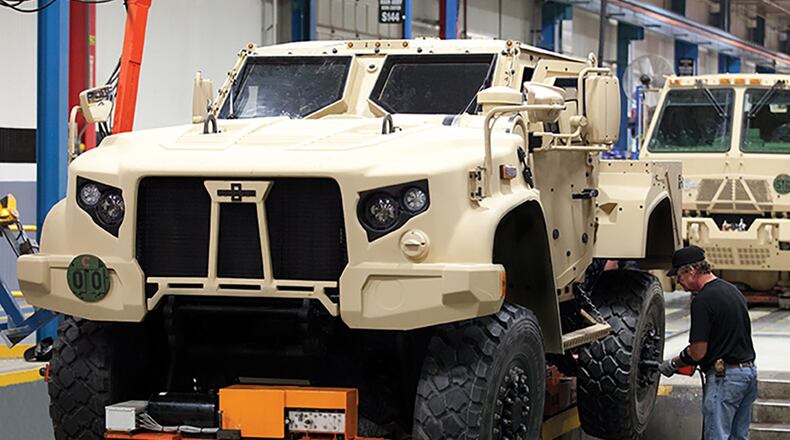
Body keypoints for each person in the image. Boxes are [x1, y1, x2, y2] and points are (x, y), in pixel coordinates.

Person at [658, 245, 757, 440]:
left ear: (692, 271)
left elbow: (698, 352)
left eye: (679, 275)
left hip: (725, 380)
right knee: (738, 436)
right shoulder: (732, 291)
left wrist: (673, 364)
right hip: (748, 374)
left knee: (716, 436)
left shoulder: (702, 300)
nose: (678, 282)